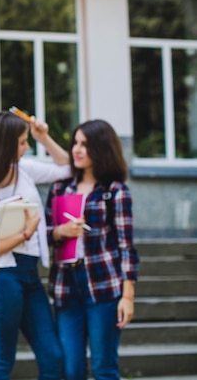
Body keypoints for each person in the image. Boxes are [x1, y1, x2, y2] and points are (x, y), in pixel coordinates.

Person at [0, 111, 70, 380]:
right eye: (23, 142)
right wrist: (24, 233)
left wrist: (44, 138)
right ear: (7, 144)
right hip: (0, 278)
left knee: (53, 357)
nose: (27, 146)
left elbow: (67, 168)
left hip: (29, 274)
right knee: (2, 361)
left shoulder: (24, 170)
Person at [45, 119, 139, 380]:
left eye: (85, 144)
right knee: (71, 369)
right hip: (66, 286)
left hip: (104, 285)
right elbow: (43, 233)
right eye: (75, 142)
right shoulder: (60, 188)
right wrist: (60, 232)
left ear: (101, 148)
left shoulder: (115, 192)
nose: (77, 149)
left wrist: (128, 296)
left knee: (104, 368)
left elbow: (126, 246)